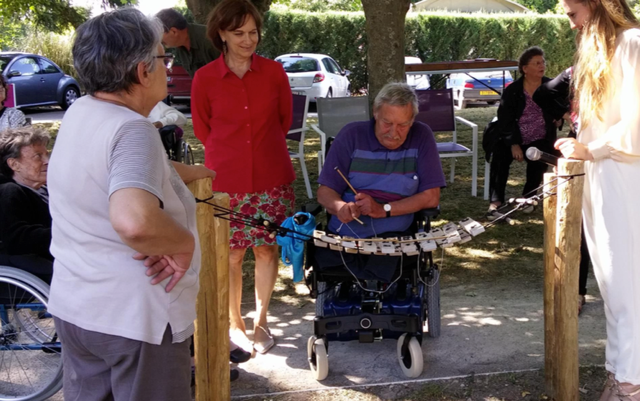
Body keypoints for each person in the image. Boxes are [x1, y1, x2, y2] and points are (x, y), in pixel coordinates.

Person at [46, 9, 215, 400]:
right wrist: (182, 243)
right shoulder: (132, 128)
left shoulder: (82, 111)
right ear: (142, 71)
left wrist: (193, 172)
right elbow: (135, 221)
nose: (167, 67)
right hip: (134, 320)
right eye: (162, 58)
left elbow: (108, 169)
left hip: (79, 307)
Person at [191, 0, 294, 355]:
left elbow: (284, 121)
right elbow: (204, 131)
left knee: (266, 250)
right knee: (231, 256)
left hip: (270, 177)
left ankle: (261, 320)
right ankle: (235, 323)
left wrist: (259, 152)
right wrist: (233, 154)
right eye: (239, 33)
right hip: (226, 183)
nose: (248, 40)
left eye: (253, 32)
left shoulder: (275, 72)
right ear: (221, 33)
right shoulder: (204, 79)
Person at [556, 0, 640, 398]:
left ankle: (630, 384)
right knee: (612, 288)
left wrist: (593, 148)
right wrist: (580, 147)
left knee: (629, 288)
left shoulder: (634, 43)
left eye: (573, 14)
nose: (572, 25)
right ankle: (620, 374)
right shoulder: (605, 50)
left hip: (627, 179)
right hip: (603, 177)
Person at [317, 82, 445, 245]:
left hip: (397, 239)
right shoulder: (351, 135)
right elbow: (324, 192)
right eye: (387, 123)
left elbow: (431, 197)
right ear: (375, 113)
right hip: (346, 238)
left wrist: (383, 209)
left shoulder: (421, 136)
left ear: (412, 121)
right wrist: (340, 207)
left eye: (402, 125)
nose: (393, 133)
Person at [487, 46, 560, 220]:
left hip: (540, 137)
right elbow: (504, 119)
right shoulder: (513, 90)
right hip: (514, 138)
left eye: (543, 62)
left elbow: (560, 108)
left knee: (541, 154)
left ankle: (528, 198)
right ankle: (496, 202)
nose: (542, 66)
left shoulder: (551, 86)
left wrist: (558, 118)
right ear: (525, 69)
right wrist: (514, 143)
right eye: (537, 63)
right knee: (499, 156)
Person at [0, 127, 52, 284]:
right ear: (14, 164)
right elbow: (16, 238)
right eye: (38, 156)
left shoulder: (45, 188)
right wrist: (63, 233)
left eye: (46, 154)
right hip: (31, 261)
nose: (47, 161)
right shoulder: (9, 191)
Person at [156, 8, 219, 78]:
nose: (158, 40)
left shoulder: (209, 38)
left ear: (173, 31)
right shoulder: (180, 47)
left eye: (159, 34)